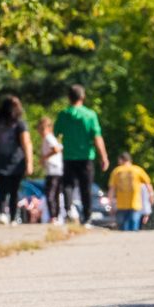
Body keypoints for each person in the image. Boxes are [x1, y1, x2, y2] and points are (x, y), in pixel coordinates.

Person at [55, 84, 110, 224]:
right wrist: (103, 156)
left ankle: (68, 211)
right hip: (86, 157)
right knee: (86, 187)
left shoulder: (64, 114)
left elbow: (56, 134)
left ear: (69, 98)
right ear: (83, 97)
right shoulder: (90, 115)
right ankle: (87, 217)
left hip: (68, 156)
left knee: (67, 185)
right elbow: (97, 137)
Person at [0, 95, 33, 224]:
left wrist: (29, 162)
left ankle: (5, 214)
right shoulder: (19, 123)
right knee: (12, 191)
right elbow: (27, 143)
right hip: (13, 162)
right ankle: (11, 216)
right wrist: (29, 162)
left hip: (5, 161)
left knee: (4, 190)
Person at [108, 152, 154, 231]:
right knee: (133, 227)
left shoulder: (117, 171)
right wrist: (151, 195)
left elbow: (112, 189)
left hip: (121, 205)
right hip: (135, 203)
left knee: (122, 229)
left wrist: (110, 203)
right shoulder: (138, 169)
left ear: (121, 160)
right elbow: (148, 184)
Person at [38, 116, 64, 223]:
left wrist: (44, 157)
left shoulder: (48, 137)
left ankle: (53, 216)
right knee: (55, 194)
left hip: (53, 170)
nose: (41, 131)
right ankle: (55, 216)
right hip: (58, 170)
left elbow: (56, 149)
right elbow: (60, 148)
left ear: (48, 128)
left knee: (50, 194)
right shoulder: (52, 137)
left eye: (42, 129)